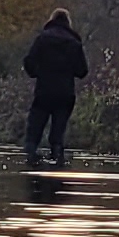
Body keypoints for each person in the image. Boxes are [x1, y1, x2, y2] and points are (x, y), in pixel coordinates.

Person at [18, 8, 88, 165]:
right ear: (68, 23)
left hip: (44, 91)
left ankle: (30, 160)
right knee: (58, 132)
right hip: (65, 93)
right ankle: (57, 159)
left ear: (52, 20)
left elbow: (29, 61)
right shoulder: (74, 43)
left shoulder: (42, 39)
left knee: (34, 129)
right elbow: (82, 71)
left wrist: (36, 73)